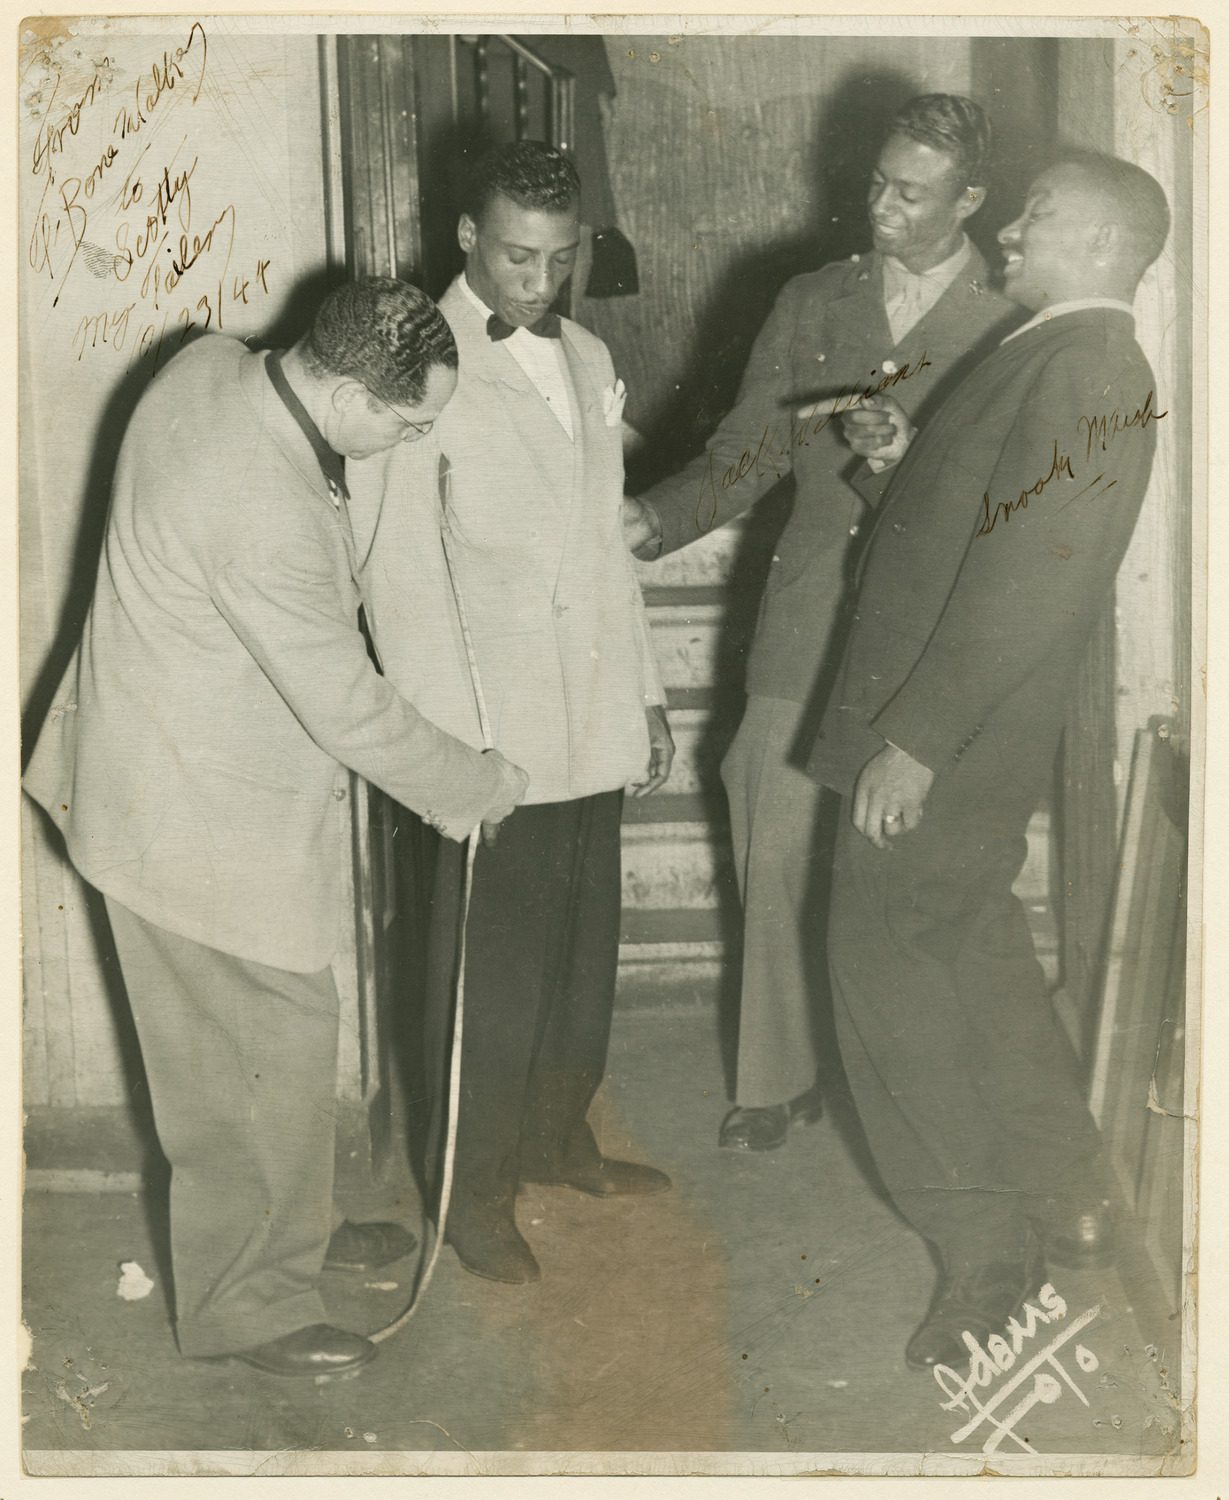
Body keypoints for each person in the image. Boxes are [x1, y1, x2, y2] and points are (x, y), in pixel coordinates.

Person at [23, 278, 529, 1378]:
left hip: (158, 772)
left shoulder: (204, 363)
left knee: (273, 1049)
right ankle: (246, 1300)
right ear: (346, 390)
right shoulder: (262, 507)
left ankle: (286, 1227)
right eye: (405, 422)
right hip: (190, 824)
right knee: (245, 1058)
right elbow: (348, 707)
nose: (411, 438)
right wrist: (476, 783)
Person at [807, 151, 1169, 1369]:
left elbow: (1026, 584)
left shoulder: (1087, 362)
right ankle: (1067, 1189)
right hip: (955, 725)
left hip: (942, 732)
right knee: (969, 951)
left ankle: (983, 1254)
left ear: (1109, 247)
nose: (1008, 228)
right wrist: (900, 457)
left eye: (1041, 216)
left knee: (882, 971)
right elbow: (986, 516)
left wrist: (912, 741)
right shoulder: (1058, 354)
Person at [621, 95, 1022, 1151]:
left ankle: (914, 1085)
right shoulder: (813, 299)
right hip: (807, 621)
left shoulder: (1013, 317)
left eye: (910, 193)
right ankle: (774, 1077)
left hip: (933, 635)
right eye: (875, 183)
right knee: (771, 825)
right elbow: (748, 452)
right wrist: (650, 520)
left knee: (916, 874)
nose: (879, 208)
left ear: (971, 199)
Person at [349, 142, 673, 1287]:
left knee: (578, 955)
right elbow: (395, 574)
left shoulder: (585, 354)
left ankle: (554, 1137)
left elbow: (606, 542)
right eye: (515, 258)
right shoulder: (412, 361)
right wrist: (451, 758)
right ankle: (468, 1188)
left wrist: (642, 691)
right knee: (485, 971)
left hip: (590, 710)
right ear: (466, 241)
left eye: (558, 259)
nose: (537, 284)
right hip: (489, 732)